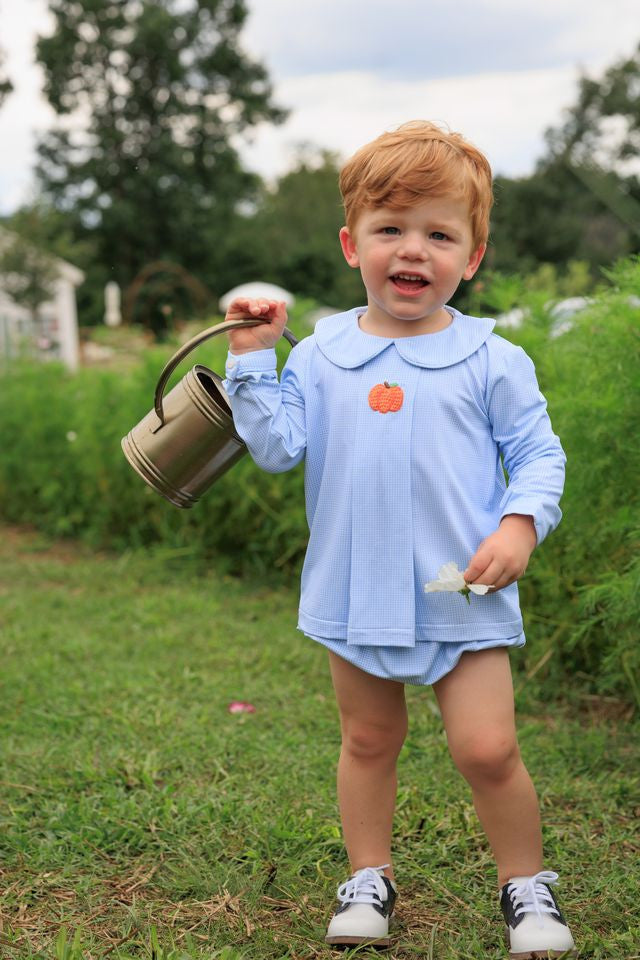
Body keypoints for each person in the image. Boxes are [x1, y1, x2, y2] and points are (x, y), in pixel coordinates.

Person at [222, 121, 576, 957]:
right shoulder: (318, 354)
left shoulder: (492, 357)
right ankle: (369, 878)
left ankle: (525, 886)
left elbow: (537, 454)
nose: (412, 250)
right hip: (356, 585)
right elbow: (276, 449)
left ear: (473, 255)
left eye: (439, 234)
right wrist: (249, 360)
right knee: (369, 739)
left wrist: (522, 524)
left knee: (488, 749)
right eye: (391, 229)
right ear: (353, 244)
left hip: (463, 583)